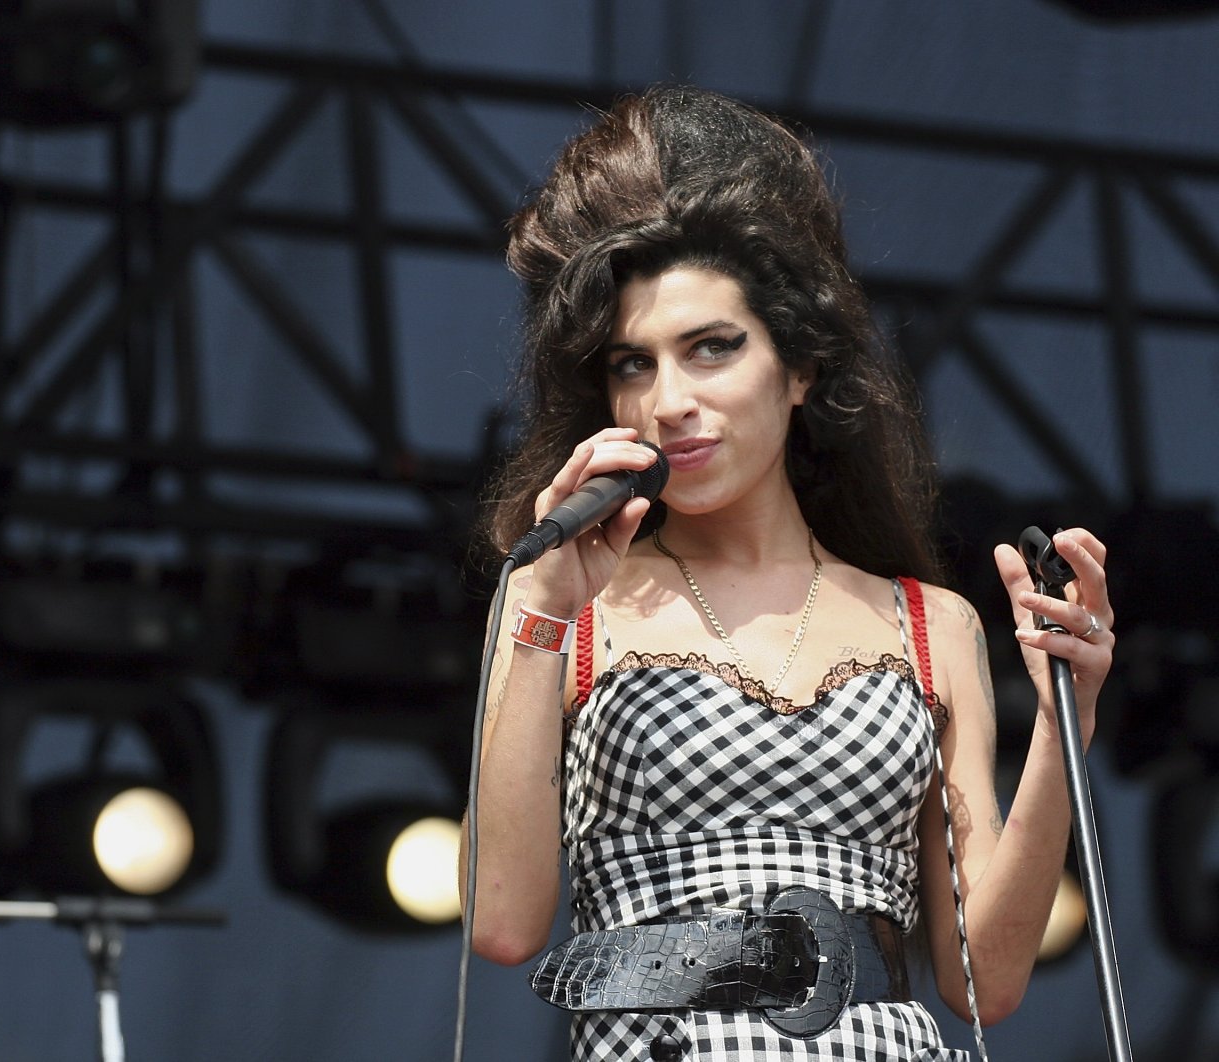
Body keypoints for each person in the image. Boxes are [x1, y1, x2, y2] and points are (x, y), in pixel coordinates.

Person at [464, 85, 1114, 1061]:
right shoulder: (567, 597)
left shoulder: (927, 621)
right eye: (632, 366)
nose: (669, 400)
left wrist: (1070, 722)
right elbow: (502, 922)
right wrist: (542, 616)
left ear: (798, 366)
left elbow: (986, 979)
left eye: (711, 349)